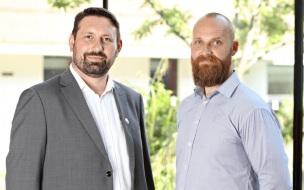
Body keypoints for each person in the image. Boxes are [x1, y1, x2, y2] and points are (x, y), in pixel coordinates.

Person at [6, 7, 155, 190]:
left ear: (118, 47)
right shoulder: (39, 100)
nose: (97, 47)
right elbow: (21, 183)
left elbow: (143, 178)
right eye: (88, 37)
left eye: (106, 39)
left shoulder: (133, 100)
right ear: (72, 42)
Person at [175, 13, 292, 190]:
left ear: (234, 48)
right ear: (192, 46)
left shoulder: (252, 110)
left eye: (216, 42)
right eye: (199, 42)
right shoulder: (186, 107)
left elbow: (277, 184)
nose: (206, 52)